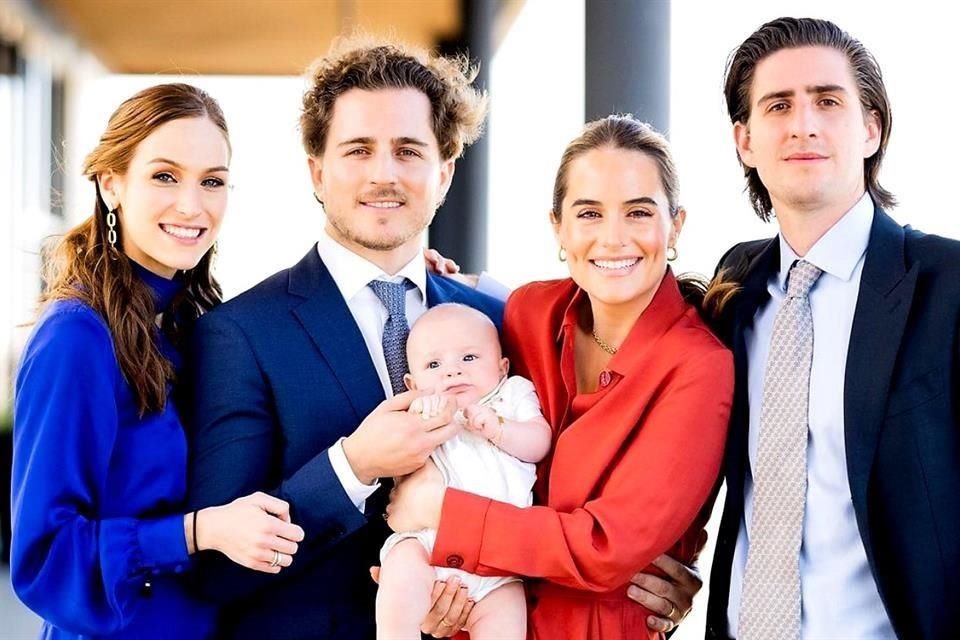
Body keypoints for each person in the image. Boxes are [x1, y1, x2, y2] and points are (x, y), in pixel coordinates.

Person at [184, 38, 503, 639]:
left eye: (408, 150)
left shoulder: (496, 320)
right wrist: (351, 467)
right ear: (317, 171)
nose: (384, 174)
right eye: (358, 150)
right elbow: (216, 572)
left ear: (445, 173)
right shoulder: (239, 334)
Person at [387, 114, 734, 639]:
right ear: (558, 228)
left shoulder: (699, 367)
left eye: (638, 212)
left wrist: (442, 512)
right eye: (589, 213)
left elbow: (606, 548)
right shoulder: (529, 312)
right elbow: (460, 359)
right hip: (479, 614)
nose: (613, 239)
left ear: (675, 226)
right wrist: (430, 273)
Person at [667, 16, 959, 640]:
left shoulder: (950, 283)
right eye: (779, 105)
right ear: (745, 141)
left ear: (871, 128)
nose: (803, 123)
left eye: (828, 100)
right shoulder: (735, 283)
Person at [10, 83, 305, 640]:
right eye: (165, 176)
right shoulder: (76, 337)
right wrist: (195, 533)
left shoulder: (194, 326)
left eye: (212, 181)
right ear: (111, 183)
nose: (192, 205)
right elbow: (45, 557)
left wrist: (425, 292)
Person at [377, 303, 551, 639]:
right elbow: (400, 464)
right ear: (412, 382)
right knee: (400, 573)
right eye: (434, 364)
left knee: (508, 618)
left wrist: (500, 429)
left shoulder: (512, 394)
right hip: (427, 541)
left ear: (503, 367)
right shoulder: (421, 408)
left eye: (469, 358)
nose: (452, 372)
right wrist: (421, 417)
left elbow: (540, 443)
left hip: (501, 559)